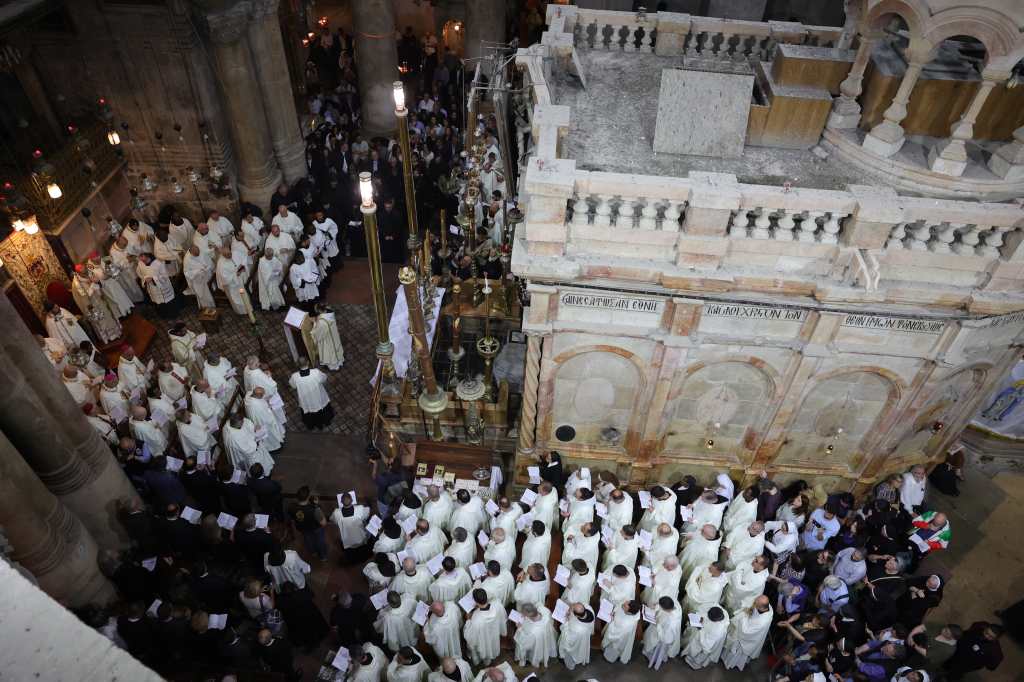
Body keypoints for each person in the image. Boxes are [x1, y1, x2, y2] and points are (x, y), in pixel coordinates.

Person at [722, 595, 773, 670]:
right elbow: (754, 608)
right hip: (750, 625)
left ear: (761, 607)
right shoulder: (768, 607)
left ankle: (730, 663)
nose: (754, 603)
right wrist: (751, 609)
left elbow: (746, 631)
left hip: (747, 639)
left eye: (755, 604)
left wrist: (745, 616)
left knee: (736, 651)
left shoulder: (762, 621)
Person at [463, 588, 507, 666]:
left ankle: (486, 662)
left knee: (485, 650)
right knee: (492, 646)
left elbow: (470, 638)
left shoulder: (476, 619)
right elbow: (503, 618)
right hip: (494, 634)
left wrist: (468, 620)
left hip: (483, 640)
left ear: (475, 602)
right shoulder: (497, 605)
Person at [289, 357, 333, 428]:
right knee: (323, 408)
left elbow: (293, 386)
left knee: (309, 410)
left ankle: (312, 424)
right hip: (318, 397)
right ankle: (326, 421)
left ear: (297, 365)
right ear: (308, 362)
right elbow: (324, 378)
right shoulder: (315, 372)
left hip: (306, 400)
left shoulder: (294, 376)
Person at [682, 604, 730, 669]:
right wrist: (701, 617)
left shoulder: (716, 630)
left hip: (707, 641)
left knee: (699, 652)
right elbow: (705, 612)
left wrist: (700, 628)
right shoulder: (720, 611)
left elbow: (706, 644)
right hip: (707, 634)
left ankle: (694, 663)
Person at [289, 486, 328, 562]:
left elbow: (293, 518)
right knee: (320, 542)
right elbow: (324, 523)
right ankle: (323, 556)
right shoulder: (315, 510)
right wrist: (317, 506)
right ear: (308, 497)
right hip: (316, 529)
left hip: (303, 528)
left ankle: (313, 552)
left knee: (308, 540)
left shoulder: (292, 507)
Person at [643, 596, 683, 670]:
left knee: (650, 638)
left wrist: (658, 624)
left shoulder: (671, 623)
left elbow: (666, 639)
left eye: (660, 607)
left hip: (663, 636)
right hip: (663, 625)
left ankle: (650, 654)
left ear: (665, 609)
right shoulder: (675, 604)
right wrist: (657, 603)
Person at [513, 602, 558, 668]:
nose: (522, 614)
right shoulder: (545, 611)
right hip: (543, 638)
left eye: (523, 613)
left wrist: (519, 628)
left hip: (534, 643)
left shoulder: (532, 631)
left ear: (528, 614)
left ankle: (523, 660)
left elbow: (524, 643)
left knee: (520, 645)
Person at [245, 386, 286, 451]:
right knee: (271, 435)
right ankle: (273, 447)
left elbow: (256, 396)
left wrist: (266, 399)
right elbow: (267, 419)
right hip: (262, 423)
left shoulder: (248, 396)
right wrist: (270, 407)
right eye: (262, 395)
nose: (264, 395)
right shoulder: (257, 405)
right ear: (258, 395)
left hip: (257, 418)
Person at [602, 599, 642, 663]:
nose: (623, 604)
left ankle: (608, 658)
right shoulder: (628, 606)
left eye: (625, 606)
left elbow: (615, 635)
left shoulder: (627, 625)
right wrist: (614, 612)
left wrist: (612, 620)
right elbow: (619, 606)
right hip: (617, 626)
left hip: (618, 640)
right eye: (626, 602)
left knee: (612, 650)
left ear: (629, 612)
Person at [559, 602, 595, 669]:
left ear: (576, 616)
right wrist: (572, 607)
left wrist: (566, 621)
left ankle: (570, 665)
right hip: (585, 637)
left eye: (573, 610)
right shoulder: (590, 610)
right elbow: (581, 605)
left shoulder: (576, 628)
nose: (572, 608)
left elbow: (568, 639)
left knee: (572, 655)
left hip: (576, 644)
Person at [312, 303, 345, 370]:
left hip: (328, 339)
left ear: (319, 311)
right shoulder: (330, 312)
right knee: (336, 349)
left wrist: (314, 325)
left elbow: (319, 335)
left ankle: (334, 367)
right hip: (333, 334)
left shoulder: (322, 322)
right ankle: (339, 362)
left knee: (330, 353)